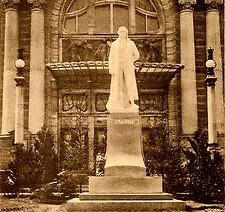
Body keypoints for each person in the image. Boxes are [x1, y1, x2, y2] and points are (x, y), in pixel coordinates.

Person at [106, 26, 140, 111]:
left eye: (124, 32)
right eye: (120, 31)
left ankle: (132, 103)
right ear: (118, 32)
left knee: (129, 83)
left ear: (126, 33)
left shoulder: (131, 43)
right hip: (118, 66)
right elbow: (111, 57)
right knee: (118, 84)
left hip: (127, 66)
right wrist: (111, 68)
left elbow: (137, 55)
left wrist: (130, 60)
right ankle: (118, 103)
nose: (122, 33)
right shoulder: (114, 44)